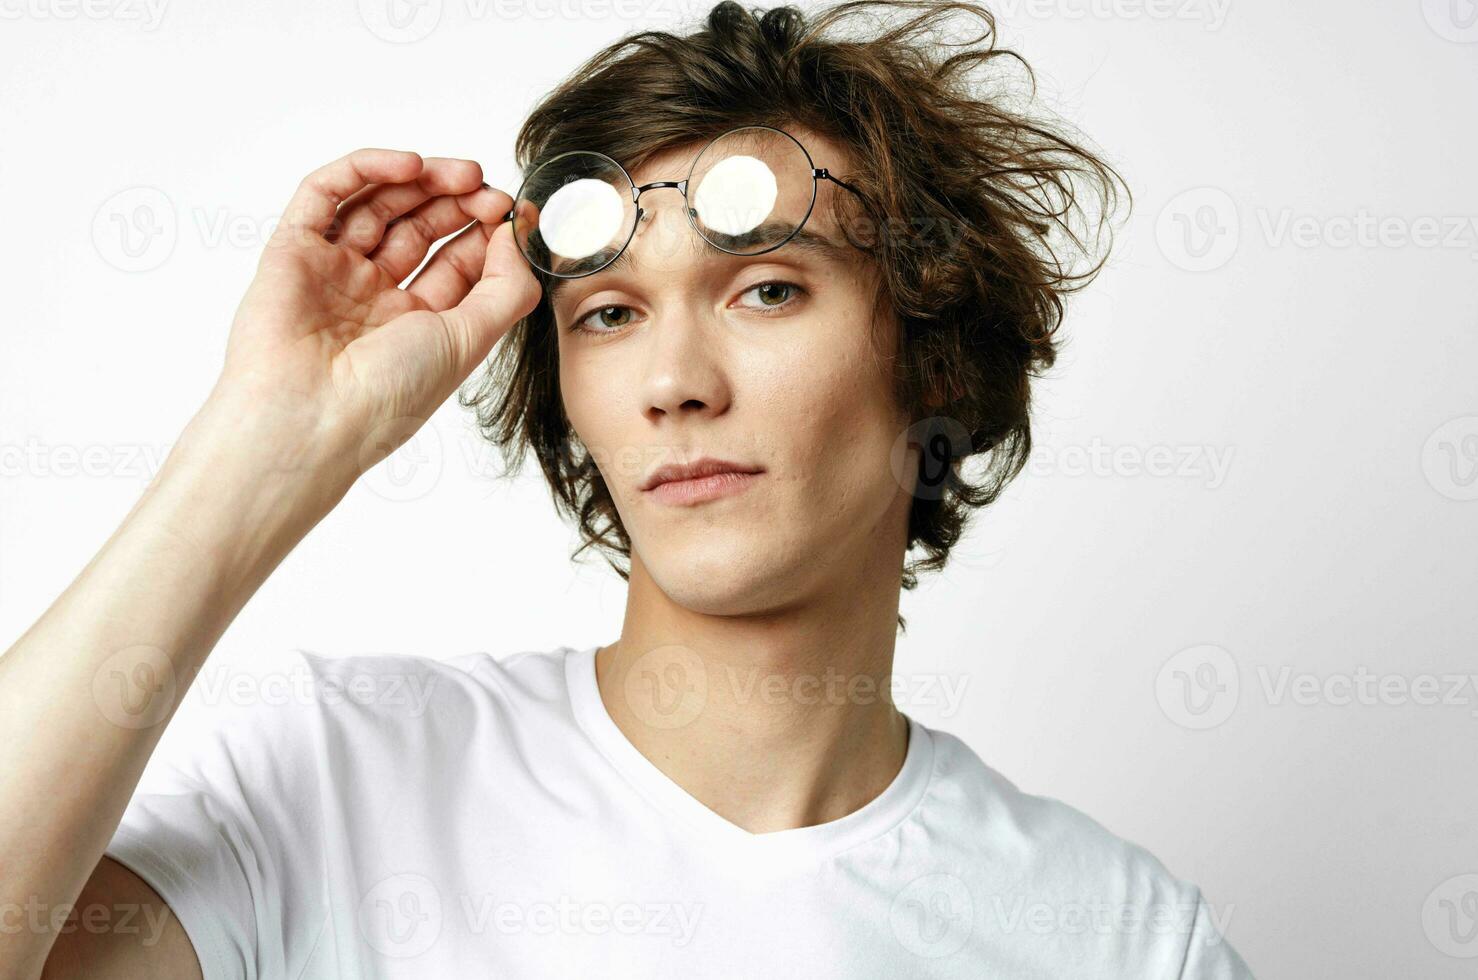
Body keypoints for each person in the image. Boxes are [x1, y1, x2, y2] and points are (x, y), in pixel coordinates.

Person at [1, 1, 1255, 977]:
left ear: (930, 354)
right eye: (606, 312)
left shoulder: (1119, 935)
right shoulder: (341, 781)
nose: (670, 380)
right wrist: (264, 448)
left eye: (766, 287)